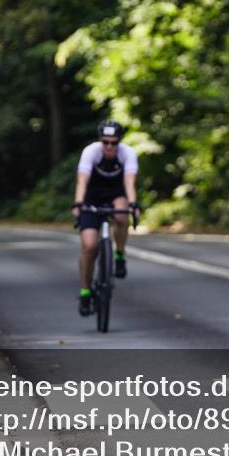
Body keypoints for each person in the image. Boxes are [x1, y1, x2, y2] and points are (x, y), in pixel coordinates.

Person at [72, 120, 140, 317]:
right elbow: (82, 180)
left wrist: (133, 204)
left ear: (119, 141)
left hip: (116, 194)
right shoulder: (91, 152)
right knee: (89, 246)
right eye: (105, 142)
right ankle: (85, 292)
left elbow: (129, 182)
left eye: (114, 142)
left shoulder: (127, 153)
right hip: (92, 196)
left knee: (122, 214)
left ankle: (119, 254)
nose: (109, 146)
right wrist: (78, 203)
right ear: (100, 140)